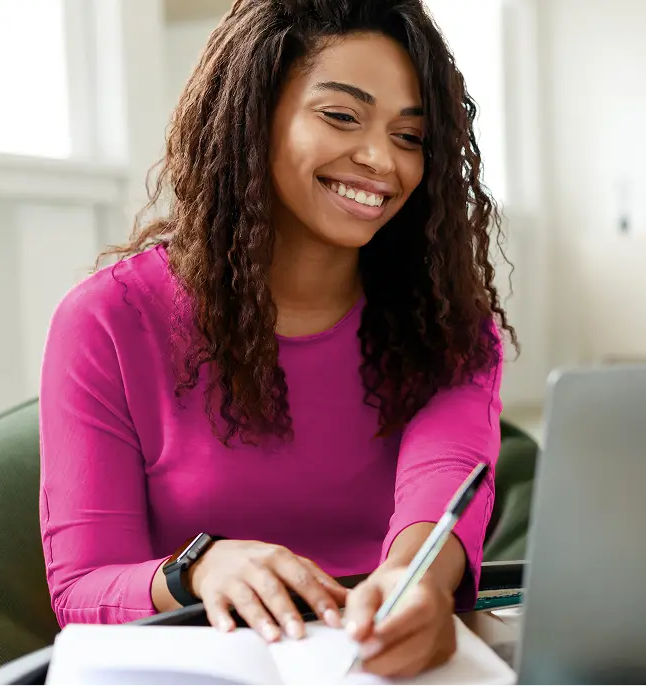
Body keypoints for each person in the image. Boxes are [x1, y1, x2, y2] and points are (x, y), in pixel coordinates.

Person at [37, 0, 513, 678]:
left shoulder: (449, 322)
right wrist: (198, 570)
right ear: (251, 114)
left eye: (411, 136)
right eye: (341, 116)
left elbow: (442, 478)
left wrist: (418, 586)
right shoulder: (107, 322)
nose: (382, 159)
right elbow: (81, 587)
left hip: (382, 665)